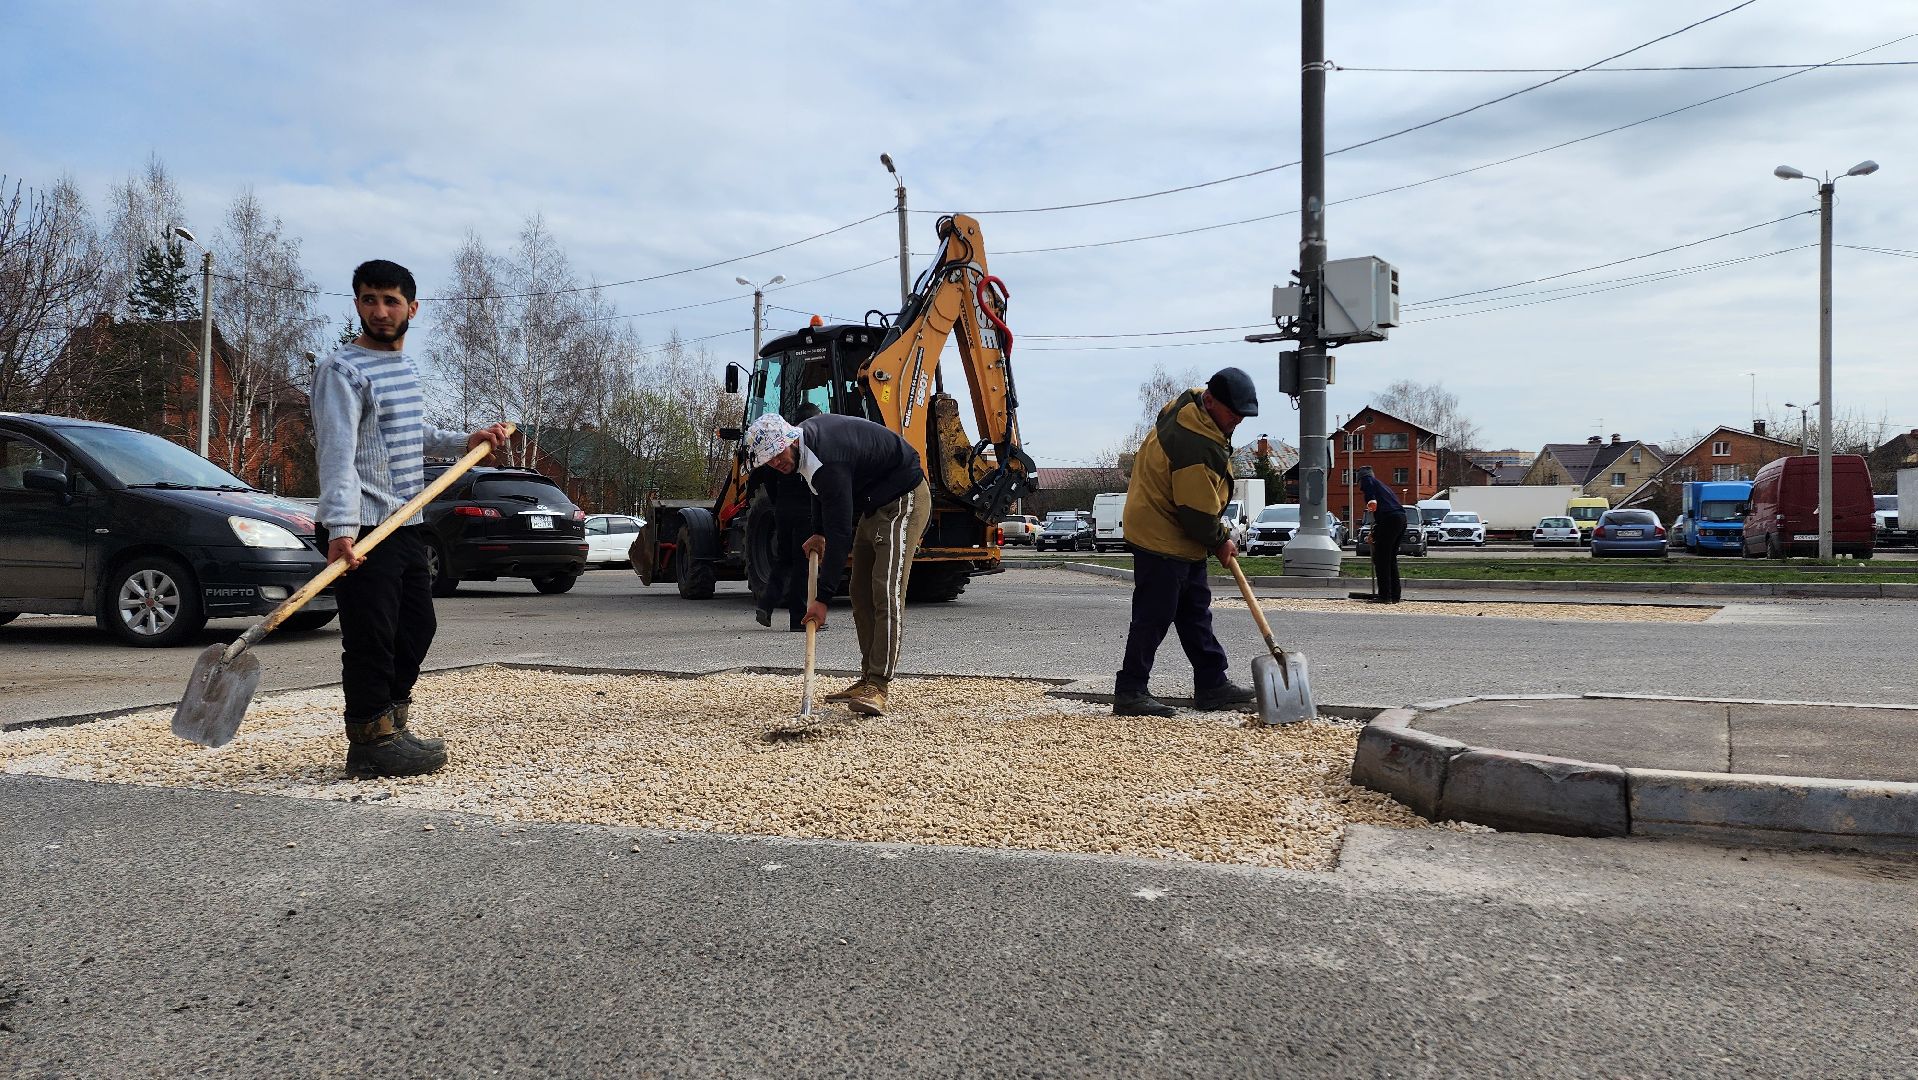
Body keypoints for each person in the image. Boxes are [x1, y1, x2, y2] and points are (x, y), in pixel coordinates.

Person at [311, 259, 509, 777]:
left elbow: (410, 433)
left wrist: (463, 441)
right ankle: (370, 740)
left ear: (412, 308)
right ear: (357, 303)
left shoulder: (406, 369)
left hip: (404, 521)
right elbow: (337, 454)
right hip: (363, 527)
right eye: (369, 299)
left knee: (417, 627)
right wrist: (341, 530)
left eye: (391, 301)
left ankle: (393, 724)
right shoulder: (341, 371)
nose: (380, 311)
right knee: (371, 636)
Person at [742, 411, 930, 717]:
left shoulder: (827, 457)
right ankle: (867, 678)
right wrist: (818, 531)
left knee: (886, 589)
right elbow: (817, 490)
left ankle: (878, 686)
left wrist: (823, 598)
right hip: (875, 503)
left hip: (903, 499)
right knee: (860, 591)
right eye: (768, 461)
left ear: (789, 440)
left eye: (777, 454)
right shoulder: (806, 450)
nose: (776, 463)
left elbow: (840, 532)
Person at [1112, 367, 1260, 717]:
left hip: (1176, 531)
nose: (1238, 420)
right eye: (1233, 413)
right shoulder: (1195, 443)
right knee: (1154, 614)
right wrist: (1220, 540)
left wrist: (1214, 534)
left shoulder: (1195, 406)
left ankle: (1212, 684)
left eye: (1243, 414)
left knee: (1194, 613)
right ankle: (1130, 690)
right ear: (1211, 401)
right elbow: (1195, 513)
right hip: (1161, 532)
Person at [1358, 466, 1406, 604]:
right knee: (1390, 558)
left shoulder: (1368, 480)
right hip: (1400, 519)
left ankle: (1384, 595)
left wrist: (1371, 500)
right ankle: (1394, 595)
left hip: (1389, 519)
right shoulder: (1383, 487)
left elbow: (1370, 490)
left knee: (1381, 558)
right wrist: (1375, 533)